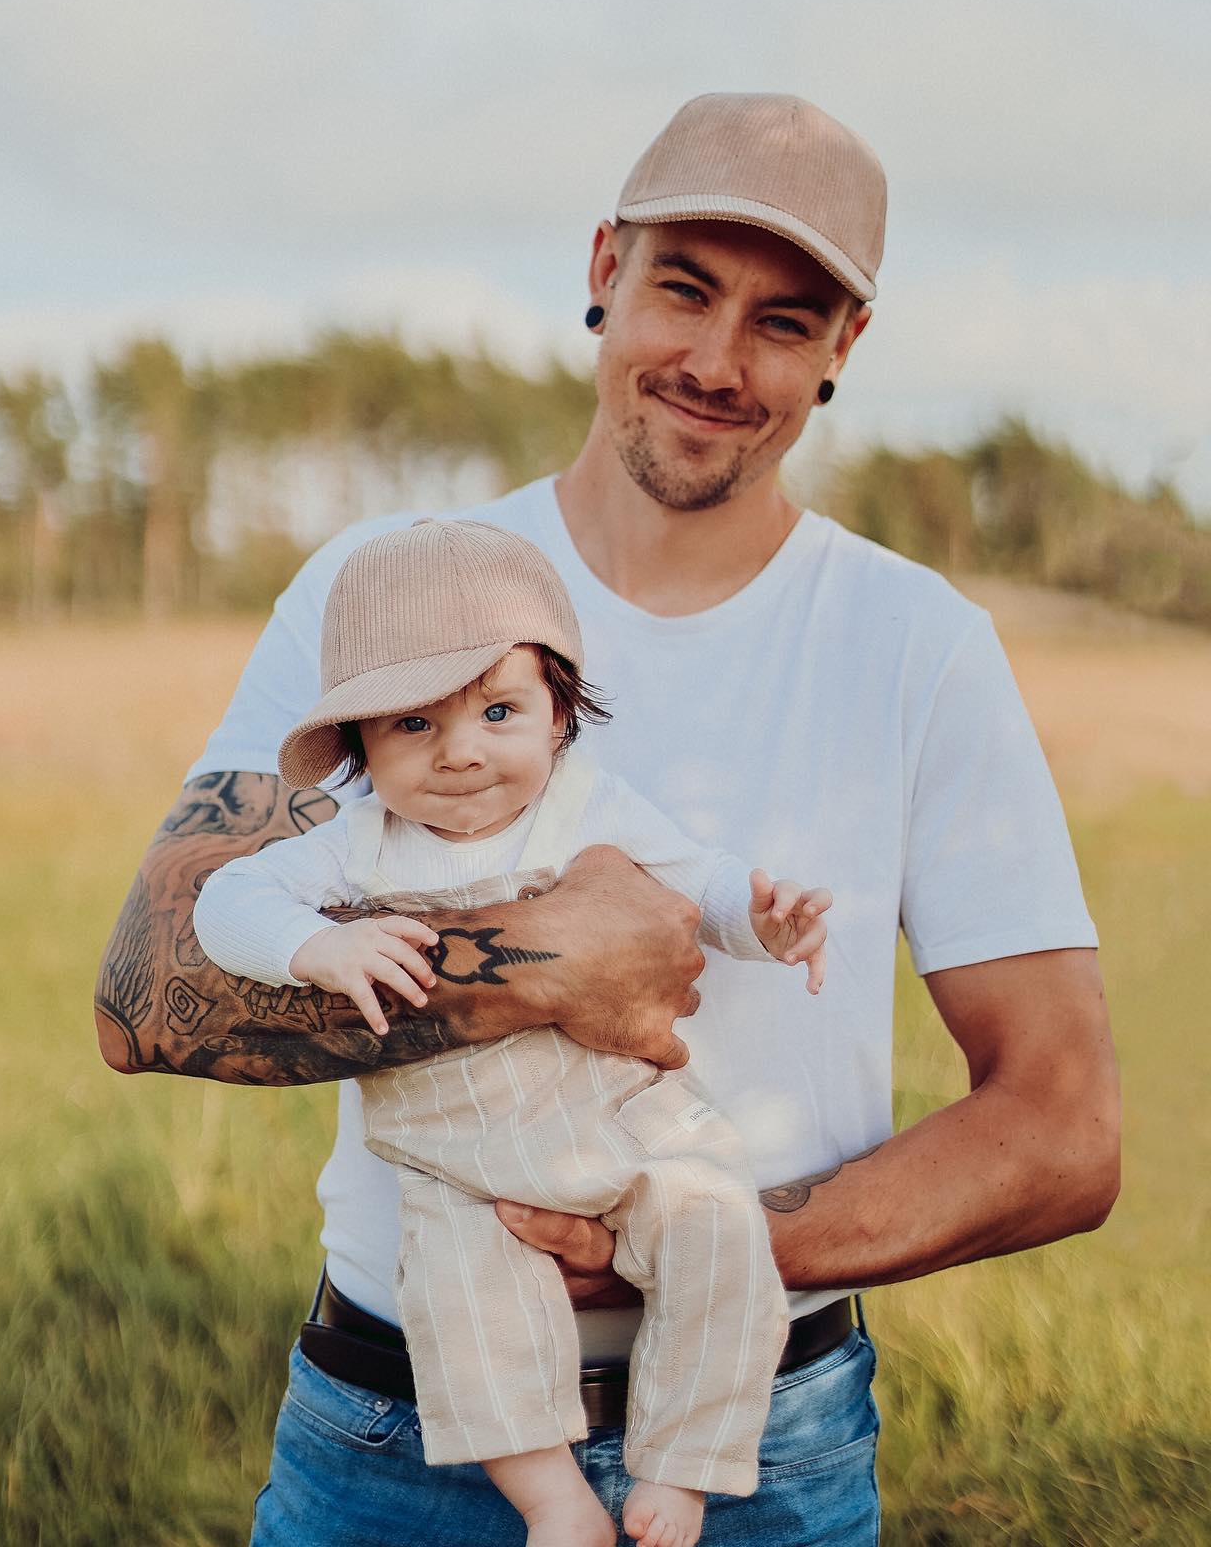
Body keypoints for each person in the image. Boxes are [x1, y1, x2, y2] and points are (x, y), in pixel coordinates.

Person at [95, 92, 1120, 1546]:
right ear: (603, 268)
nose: (715, 362)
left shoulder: (916, 646)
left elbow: (1064, 1127)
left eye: (783, 321)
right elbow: (145, 999)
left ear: (844, 348)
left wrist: (709, 1250)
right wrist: (542, 965)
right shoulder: (386, 593)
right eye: (683, 289)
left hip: (764, 1445)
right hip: (394, 1434)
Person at [192, 517, 833, 1547]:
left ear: (559, 714)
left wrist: (763, 921)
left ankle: (683, 1464)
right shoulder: (356, 846)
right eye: (413, 724)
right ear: (358, 744)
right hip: (460, 1159)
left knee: (718, 1230)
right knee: (466, 1311)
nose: (461, 752)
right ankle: (553, 1501)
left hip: (626, 1117)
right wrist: (316, 946)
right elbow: (224, 901)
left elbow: (698, 883)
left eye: (499, 711)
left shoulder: (587, 807)